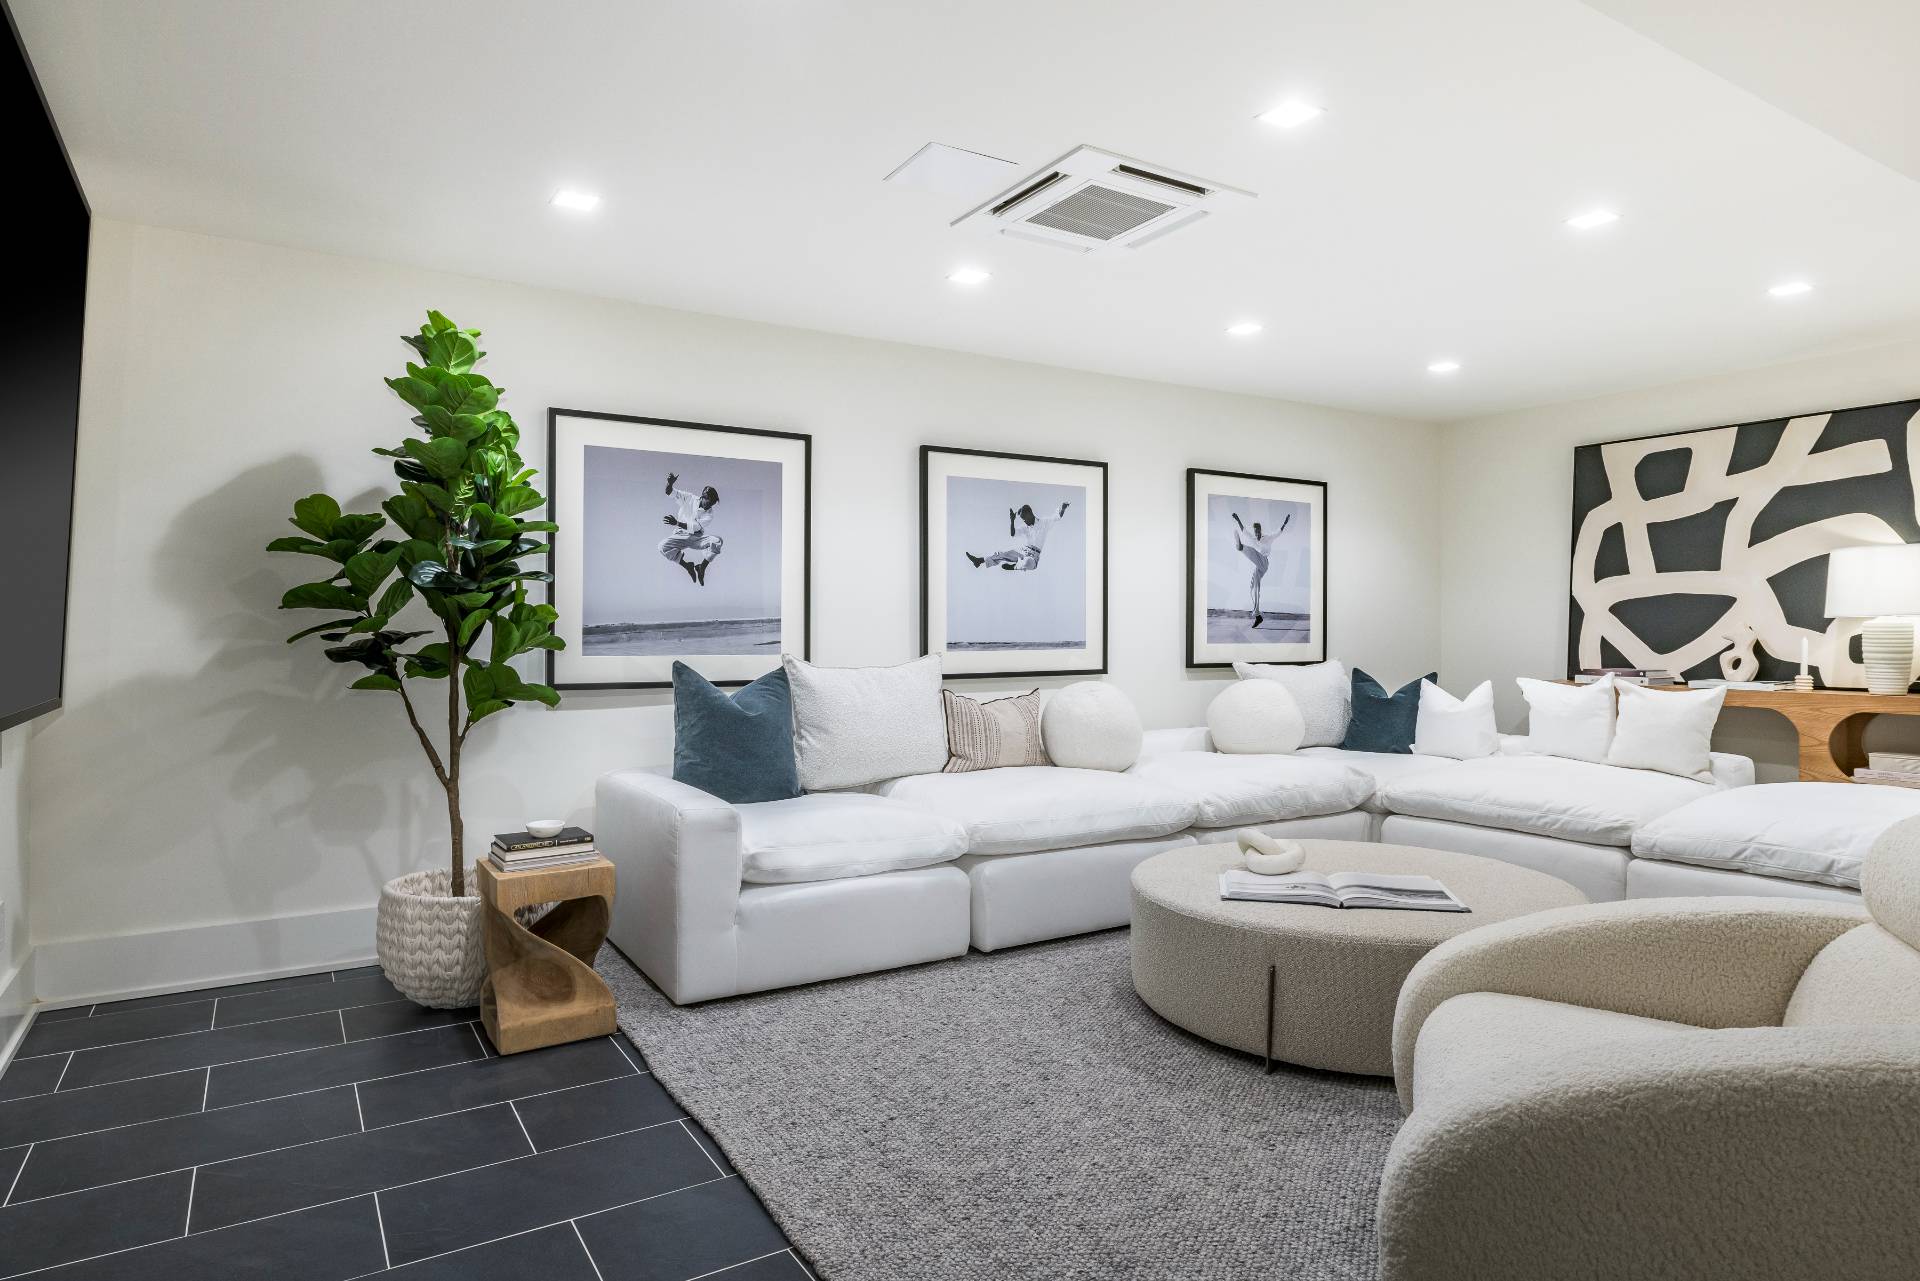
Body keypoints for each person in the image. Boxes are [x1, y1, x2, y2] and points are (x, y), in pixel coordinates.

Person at [658, 471, 723, 586]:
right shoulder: (689, 498)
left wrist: (677, 522)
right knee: (662, 547)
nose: (710, 505)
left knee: (717, 541)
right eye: (709, 501)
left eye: (712, 504)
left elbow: (695, 527)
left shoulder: (710, 514)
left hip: (696, 538)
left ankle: (701, 567)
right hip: (680, 535)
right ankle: (688, 566)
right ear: (703, 497)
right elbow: (670, 493)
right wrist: (669, 483)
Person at [967, 501, 1070, 571]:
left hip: (1033, 557)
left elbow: (1057, 517)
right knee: (1002, 554)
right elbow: (1013, 534)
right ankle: (978, 560)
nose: (1024, 521)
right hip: (1022, 551)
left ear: (1030, 514)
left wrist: (1063, 508)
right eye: (1022, 519)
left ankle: (1014, 567)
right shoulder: (1025, 527)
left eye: (1024, 518)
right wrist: (1012, 521)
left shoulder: (1044, 523)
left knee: (1027, 563)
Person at [1232, 510, 1288, 627]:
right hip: (1259, 566)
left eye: (1258, 531)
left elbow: (1278, 533)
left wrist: (1284, 523)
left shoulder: (1267, 538)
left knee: (1252, 551)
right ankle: (1258, 616)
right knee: (1253, 587)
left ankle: (1240, 547)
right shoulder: (1253, 538)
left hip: (1264, 561)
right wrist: (1238, 520)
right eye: (1255, 532)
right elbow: (1244, 531)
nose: (1256, 534)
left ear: (1260, 531)